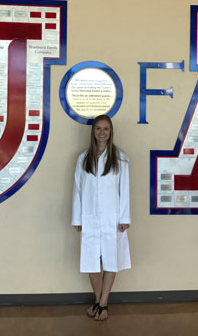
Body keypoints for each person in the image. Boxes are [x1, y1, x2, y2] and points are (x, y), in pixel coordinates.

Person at [72, 114, 131, 321]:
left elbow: (125, 190)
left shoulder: (120, 158)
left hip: (112, 218)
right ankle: (99, 301)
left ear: (111, 131)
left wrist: (125, 217)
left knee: (110, 260)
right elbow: (78, 190)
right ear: (93, 131)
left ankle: (103, 304)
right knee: (91, 262)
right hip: (89, 217)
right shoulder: (83, 158)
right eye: (98, 128)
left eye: (106, 129)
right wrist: (77, 219)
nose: (102, 132)